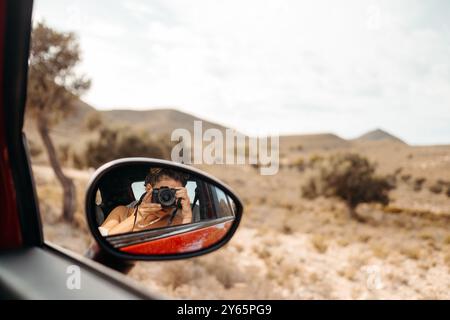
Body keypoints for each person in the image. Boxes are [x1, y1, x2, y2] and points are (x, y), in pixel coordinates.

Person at [98, 168, 192, 236]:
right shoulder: (122, 212)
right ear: (149, 189)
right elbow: (101, 242)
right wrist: (139, 214)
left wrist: (187, 216)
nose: (167, 198)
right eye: (163, 191)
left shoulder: (177, 221)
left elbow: (184, 243)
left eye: (173, 193)